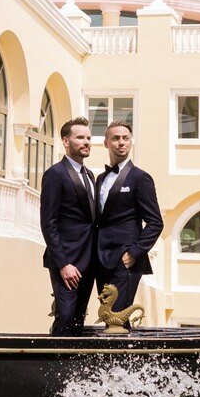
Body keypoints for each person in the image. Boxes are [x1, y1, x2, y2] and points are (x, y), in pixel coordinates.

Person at [93, 120, 162, 321]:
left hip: (125, 260)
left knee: (118, 318)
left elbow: (155, 222)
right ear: (106, 143)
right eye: (115, 138)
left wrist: (133, 253)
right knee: (108, 317)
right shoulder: (100, 179)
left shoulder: (141, 178)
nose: (121, 142)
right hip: (101, 258)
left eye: (126, 138)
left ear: (131, 142)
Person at [38, 117, 100, 335]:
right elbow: (48, 222)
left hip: (89, 259)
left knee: (78, 318)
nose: (86, 142)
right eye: (80, 137)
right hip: (67, 260)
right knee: (65, 315)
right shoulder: (55, 174)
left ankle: (73, 357)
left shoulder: (89, 175)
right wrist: (63, 263)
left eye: (88, 138)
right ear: (66, 141)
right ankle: (55, 356)